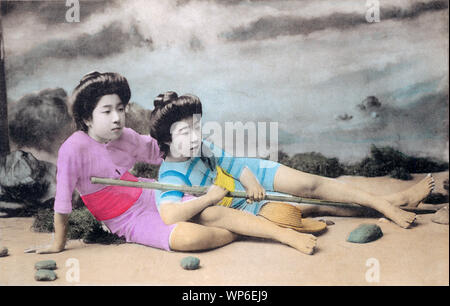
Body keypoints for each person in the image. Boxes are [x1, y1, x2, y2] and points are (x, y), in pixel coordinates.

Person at [37, 72, 318, 255]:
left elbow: (161, 150)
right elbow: (62, 203)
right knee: (189, 240)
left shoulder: (126, 136)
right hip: (126, 218)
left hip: (152, 192)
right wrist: (57, 243)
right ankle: (259, 224)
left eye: (120, 109)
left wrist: (191, 141)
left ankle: (283, 230)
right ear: (87, 117)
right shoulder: (72, 149)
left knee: (212, 208)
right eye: (106, 111)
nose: (116, 118)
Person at [149, 91, 435, 232]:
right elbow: (169, 215)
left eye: (198, 127)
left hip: (253, 179)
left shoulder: (203, 146)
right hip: (240, 205)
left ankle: (387, 203)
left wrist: (251, 182)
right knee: (313, 206)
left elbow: (237, 165)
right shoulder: (170, 175)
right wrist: (210, 199)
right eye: (185, 132)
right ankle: (396, 202)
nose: (196, 136)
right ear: (166, 139)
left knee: (311, 184)